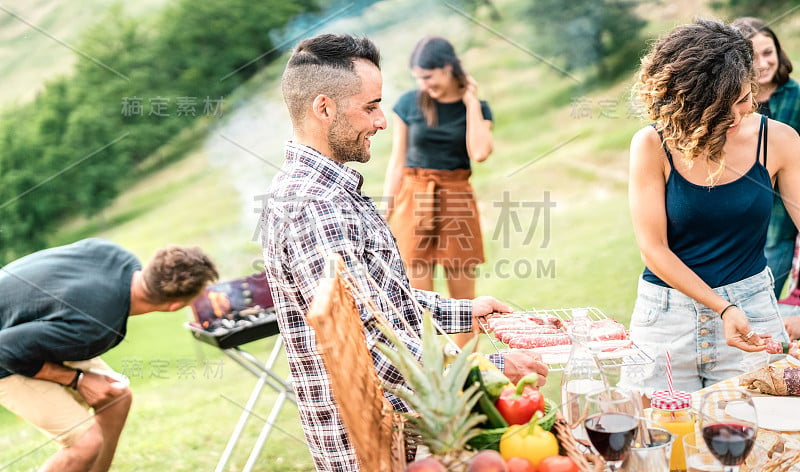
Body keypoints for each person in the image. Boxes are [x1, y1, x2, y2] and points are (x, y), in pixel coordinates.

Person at [260, 33, 547, 471]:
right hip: (365, 447)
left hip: (394, 431)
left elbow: (384, 306)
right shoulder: (316, 208)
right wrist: (488, 366)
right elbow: (370, 342)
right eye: (371, 106)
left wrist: (464, 311)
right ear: (324, 108)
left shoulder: (329, 191)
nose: (382, 121)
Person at [619, 19, 799, 394]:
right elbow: (654, 249)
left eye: (742, 99)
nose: (735, 117)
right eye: (719, 108)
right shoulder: (652, 145)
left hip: (753, 314)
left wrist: (736, 309)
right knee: (652, 441)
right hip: (665, 320)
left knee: (757, 441)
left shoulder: (778, 141)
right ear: (688, 102)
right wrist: (722, 308)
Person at [0, 238, 219, 472]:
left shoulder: (111, 252)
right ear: (174, 305)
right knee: (86, 444)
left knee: (116, 396)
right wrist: (77, 380)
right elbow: (5, 349)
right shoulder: (97, 327)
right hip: (6, 354)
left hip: (27, 331)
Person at [383, 36, 493, 348]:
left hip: (457, 198)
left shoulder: (476, 107)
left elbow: (481, 151)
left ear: (447, 69)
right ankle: (429, 371)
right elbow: (397, 160)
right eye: (418, 78)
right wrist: (386, 211)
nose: (423, 84)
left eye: (428, 77)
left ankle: (464, 375)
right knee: (417, 299)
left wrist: (471, 102)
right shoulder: (408, 103)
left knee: (463, 299)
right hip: (413, 198)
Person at [732, 17, 800, 340]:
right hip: (745, 221)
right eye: (753, 56)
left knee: (769, 308)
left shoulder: (796, 95)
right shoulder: (734, 107)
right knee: (740, 305)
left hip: (786, 223)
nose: (763, 63)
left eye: (768, 52)